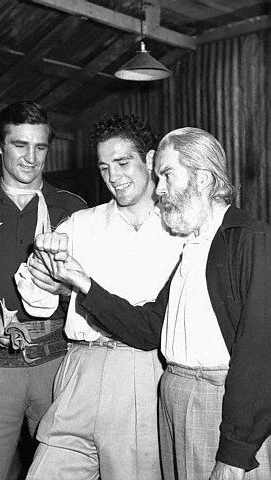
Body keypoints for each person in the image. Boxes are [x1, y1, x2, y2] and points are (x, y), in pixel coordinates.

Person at [35, 127, 271, 480]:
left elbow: (259, 355)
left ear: (203, 179)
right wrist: (82, 282)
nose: (159, 190)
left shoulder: (247, 240)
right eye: (158, 177)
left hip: (216, 403)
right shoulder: (192, 246)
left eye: (167, 176)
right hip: (174, 396)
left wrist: (236, 454)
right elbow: (148, 329)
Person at [22, 114, 186, 480]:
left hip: (142, 370)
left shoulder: (179, 230)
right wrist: (49, 264)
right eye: (104, 167)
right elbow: (33, 291)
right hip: (80, 366)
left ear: (150, 159)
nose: (114, 177)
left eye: (123, 163)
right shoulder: (83, 224)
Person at [0, 101, 87, 480]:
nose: (30, 158)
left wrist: (67, 292)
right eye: (19, 145)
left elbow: (96, 291)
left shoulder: (73, 209)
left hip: (58, 364)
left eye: (40, 147)